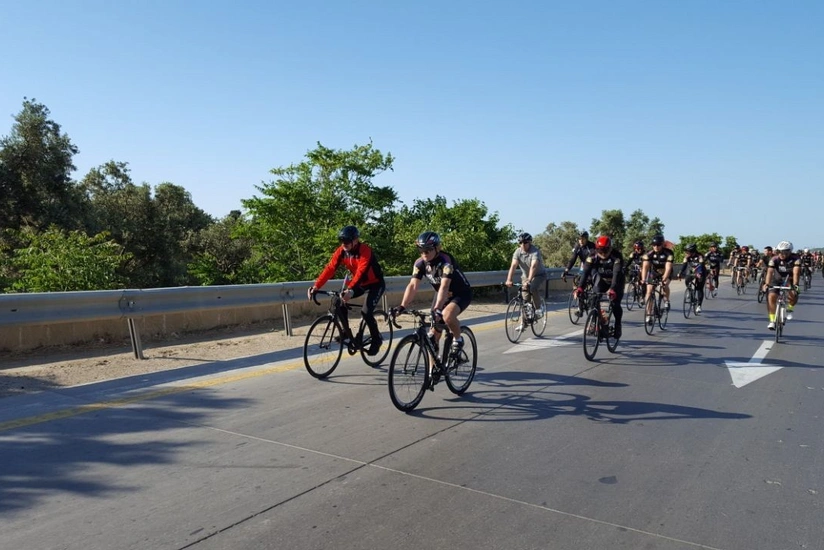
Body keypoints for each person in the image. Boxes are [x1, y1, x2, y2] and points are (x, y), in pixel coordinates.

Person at [307, 225, 386, 355]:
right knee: (337, 299)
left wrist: (350, 290)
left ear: (355, 240)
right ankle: (345, 332)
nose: (344, 244)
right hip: (359, 283)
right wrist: (316, 286)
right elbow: (330, 269)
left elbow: (361, 272)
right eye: (342, 241)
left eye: (347, 241)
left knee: (366, 312)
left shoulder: (365, 250)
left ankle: (376, 339)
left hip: (375, 284)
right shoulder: (342, 251)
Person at [394, 231, 472, 354]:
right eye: (421, 250)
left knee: (447, 315)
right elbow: (413, 285)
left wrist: (437, 309)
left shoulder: (446, 260)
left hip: (460, 293)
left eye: (427, 250)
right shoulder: (419, 263)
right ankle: (432, 371)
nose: (424, 254)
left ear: (437, 248)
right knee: (432, 338)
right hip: (442, 295)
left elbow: (445, 286)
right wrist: (402, 306)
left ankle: (458, 339)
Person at [575, 235, 625, 339]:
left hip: (616, 282)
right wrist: (580, 287)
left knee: (615, 304)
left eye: (605, 251)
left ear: (610, 249)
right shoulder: (592, 255)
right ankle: (595, 321)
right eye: (600, 251)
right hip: (601, 279)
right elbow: (585, 272)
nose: (602, 254)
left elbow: (616, 274)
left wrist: (612, 289)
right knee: (594, 298)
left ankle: (618, 325)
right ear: (596, 250)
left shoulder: (617, 256)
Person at [505, 232, 546, 319]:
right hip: (526, 276)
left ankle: (539, 309)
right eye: (520, 242)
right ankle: (525, 321)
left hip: (539, 275)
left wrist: (529, 280)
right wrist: (509, 279)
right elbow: (513, 266)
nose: (522, 244)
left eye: (525, 242)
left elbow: (533, 266)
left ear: (530, 242)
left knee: (533, 287)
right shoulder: (518, 252)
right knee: (525, 298)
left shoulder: (535, 251)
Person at [762, 241, 801, 330]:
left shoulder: (796, 259)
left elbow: (796, 272)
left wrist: (795, 285)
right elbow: (770, 272)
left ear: (790, 252)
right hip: (777, 279)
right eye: (779, 251)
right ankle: (772, 321)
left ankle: (790, 309)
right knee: (771, 296)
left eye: (784, 252)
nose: (782, 254)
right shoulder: (774, 259)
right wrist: (767, 284)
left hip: (789, 279)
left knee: (793, 295)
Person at [640, 234, 674, 325]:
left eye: (658, 245)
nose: (656, 247)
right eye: (654, 245)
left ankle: (666, 301)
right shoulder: (649, 254)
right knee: (649, 291)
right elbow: (645, 268)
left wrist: (664, 279)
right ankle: (648, 314)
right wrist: (643, 279)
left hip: (665, 273)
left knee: (664, 285)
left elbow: (668, 268)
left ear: (662, 244)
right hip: (654, 274)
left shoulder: (668, 253)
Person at [563, 231, 596, 317]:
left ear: (586, 239)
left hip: (592, 266)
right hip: (583, 266)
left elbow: (593, 258)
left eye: (582, 239)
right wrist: (566, 270)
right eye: (579, 239)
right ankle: (580, 309)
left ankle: (593, 301)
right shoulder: (577, 247)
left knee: (591, 281)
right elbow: (573, 259)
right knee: (578, 283)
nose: (580, 240)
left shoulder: (591, 246)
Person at [677, 243, 707, 313]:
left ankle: (699, 306)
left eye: (688, 251)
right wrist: (680, 273)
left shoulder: (699, 256)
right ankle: (690, 291)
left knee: (699, 288)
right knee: (687, 280)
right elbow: (684, 265)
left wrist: (699, 274)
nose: (686, 253)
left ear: (692, 251)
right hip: (691, 270)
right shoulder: (687, 257)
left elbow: (701, 266)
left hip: (701, 271)